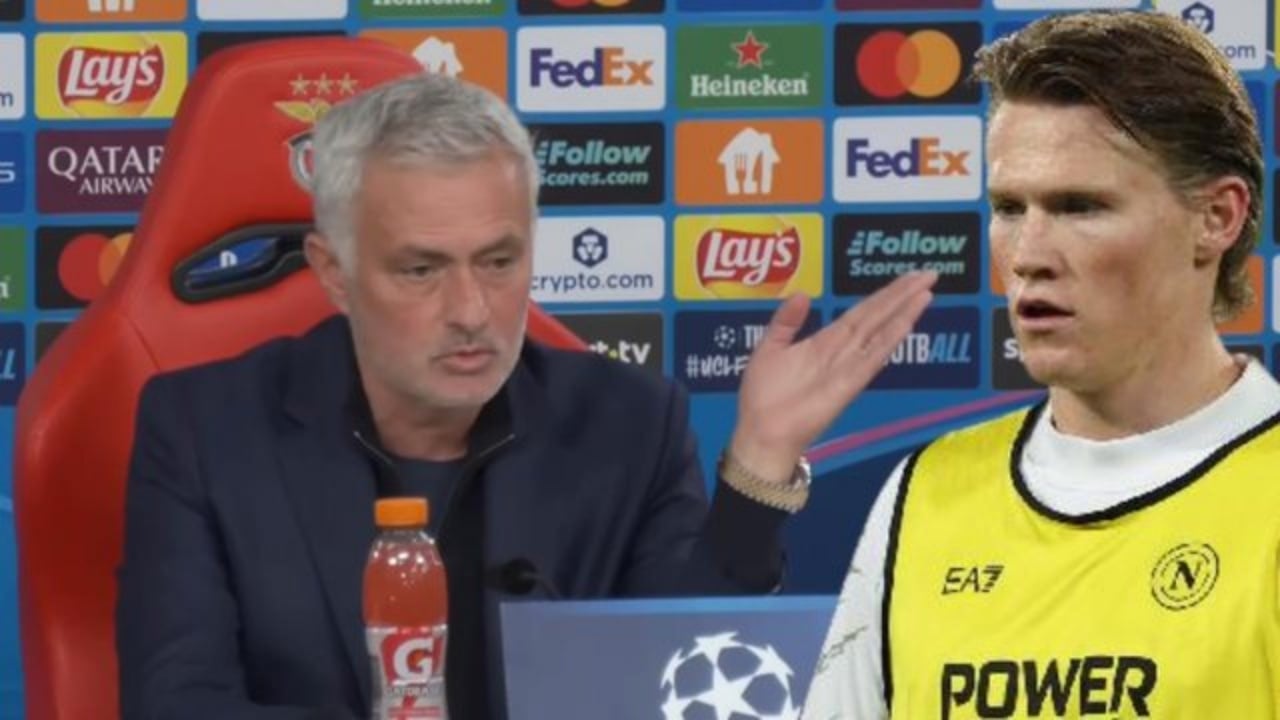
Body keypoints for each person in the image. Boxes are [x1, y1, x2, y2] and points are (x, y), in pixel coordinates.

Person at [115, 73, 936, 720]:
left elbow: (683, 678)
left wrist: (760, 461)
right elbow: (177, 704)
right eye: (421, 269)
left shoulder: (629, 423)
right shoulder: (202, 431)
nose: (471, 310)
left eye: (499, 261)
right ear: (333, 271)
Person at [802, 9, 1280, 719]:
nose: (1027, 255)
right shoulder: (924, 497)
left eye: (1079, 206)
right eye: (1008, 207)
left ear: (1217, 218)